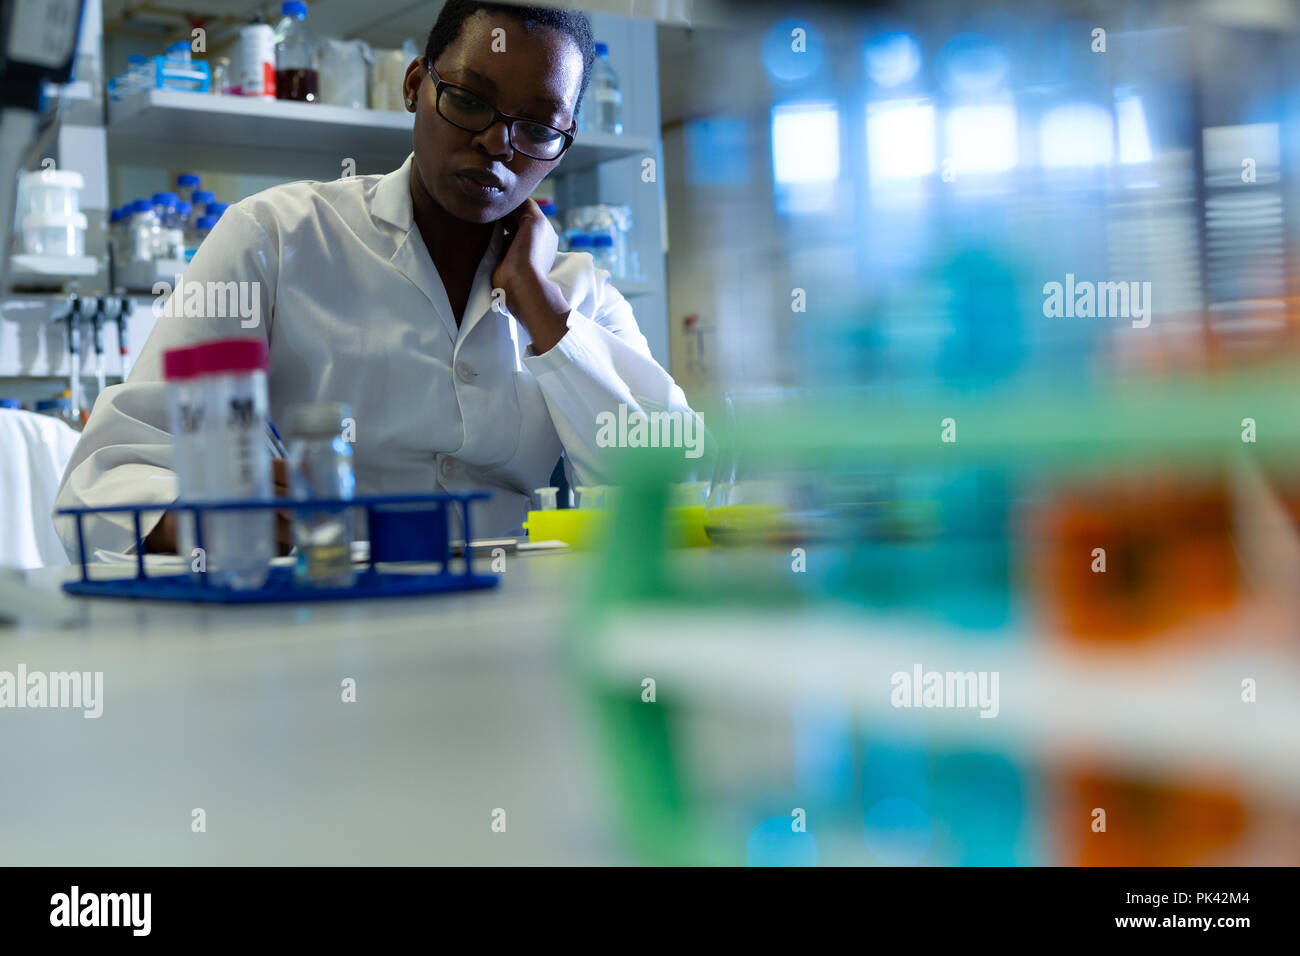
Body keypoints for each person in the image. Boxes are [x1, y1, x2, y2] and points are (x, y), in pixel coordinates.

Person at [53, 1, 701, 559]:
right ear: (415, 84)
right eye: (470, 101)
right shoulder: (277, 236)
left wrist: (541, 312)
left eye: (535, 127)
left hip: (517, 614)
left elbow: (668, 482)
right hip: (331, 607)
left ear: (565, 139)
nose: (497, 144)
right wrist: (201, 518)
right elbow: (106, 472)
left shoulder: (575, 291)